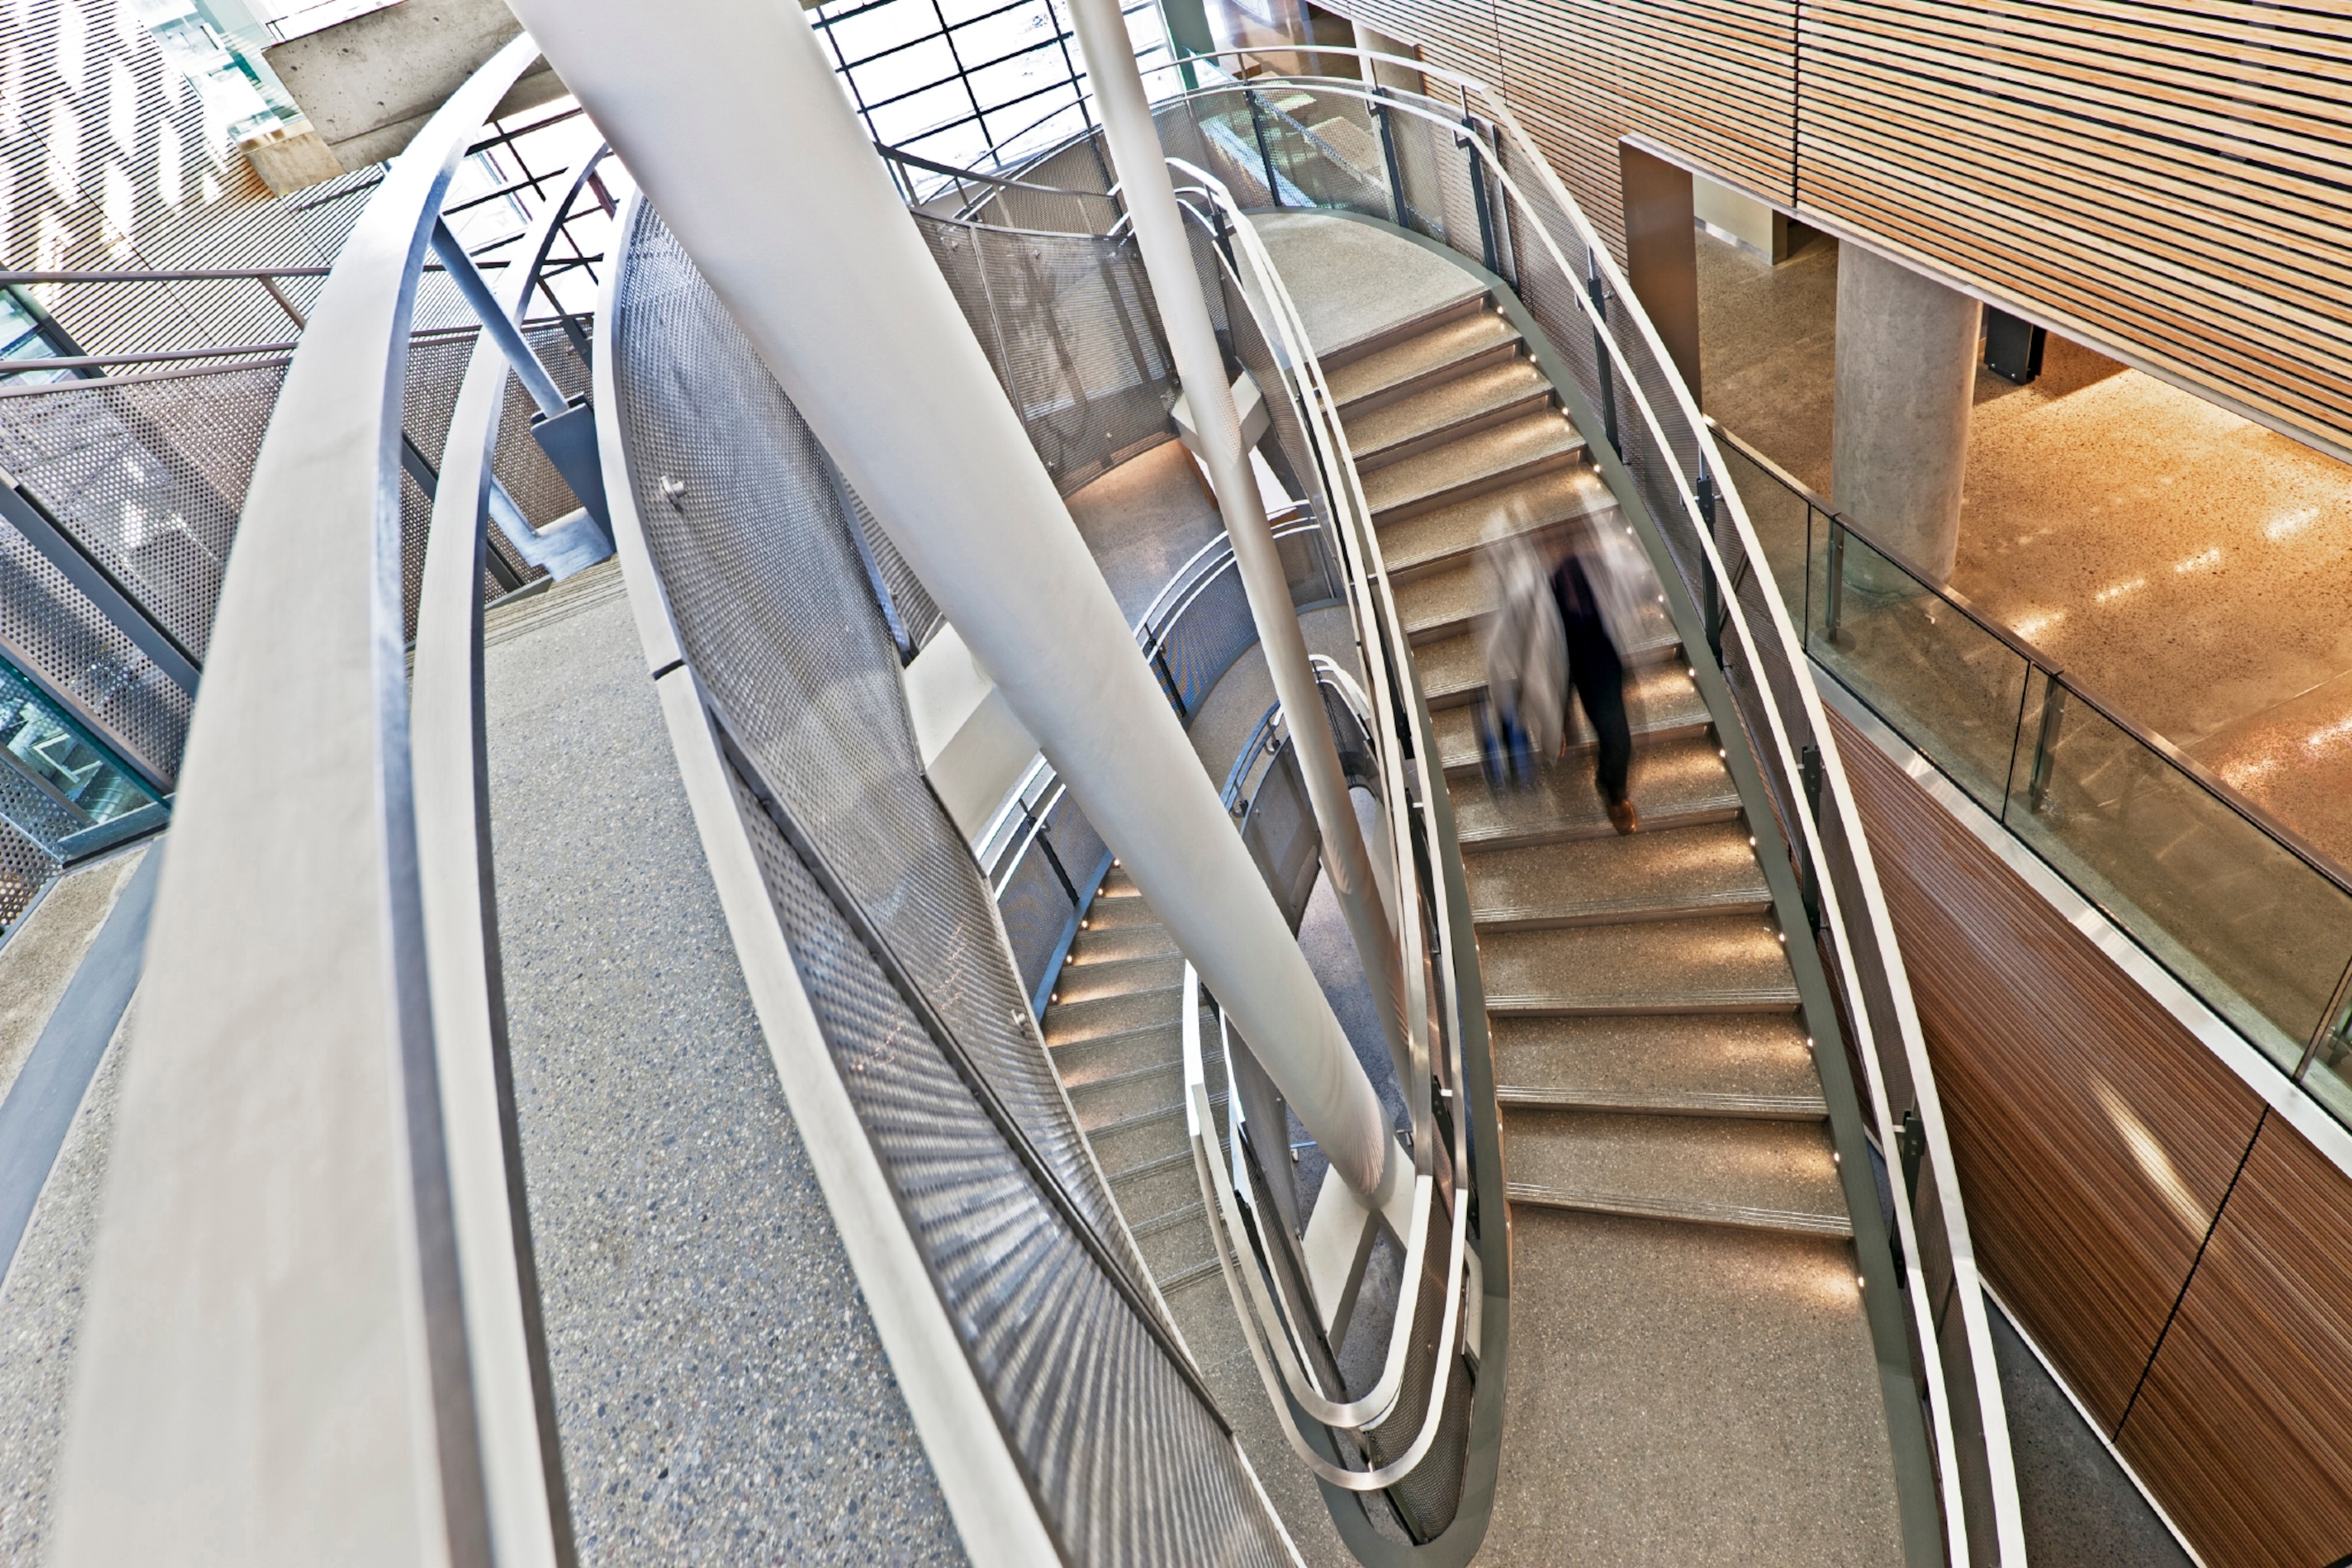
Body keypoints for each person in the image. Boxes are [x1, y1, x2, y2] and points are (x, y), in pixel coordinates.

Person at [1552, 541, 1639, 834]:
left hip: (1596, 658)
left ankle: (1613, 791)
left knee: (1617, 737)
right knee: (1555, 695)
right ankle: (1559, 721)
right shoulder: (1539, 592)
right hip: (1560, 654)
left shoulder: (1591, 568)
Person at [1477, 521, 1565, 790]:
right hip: (1526, 653)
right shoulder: (1524, 582)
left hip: (1518, 655)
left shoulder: (1509, 578)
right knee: (1539, 694)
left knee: (1530, 700)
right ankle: (1548, 749)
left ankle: (1533, 756)